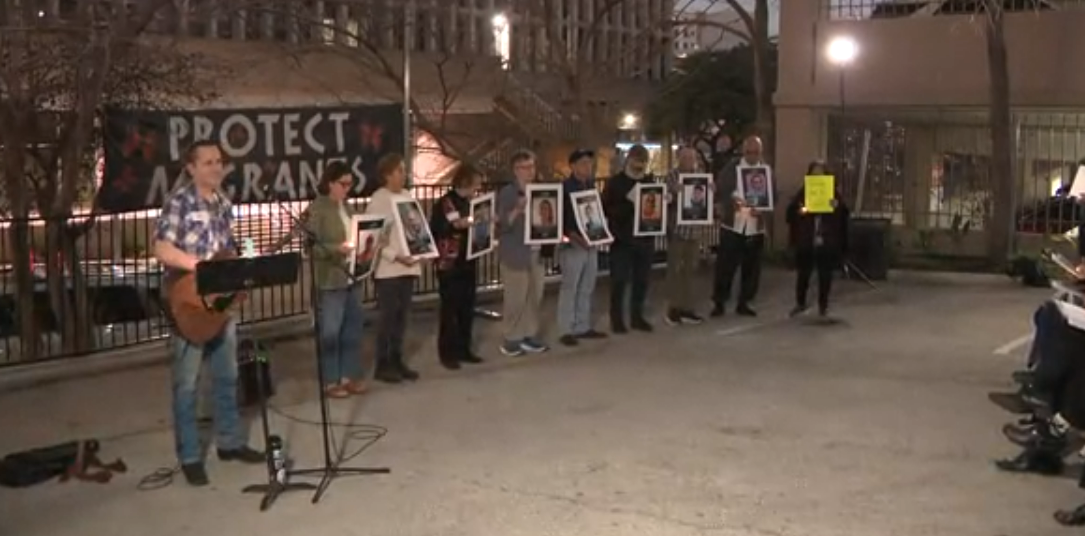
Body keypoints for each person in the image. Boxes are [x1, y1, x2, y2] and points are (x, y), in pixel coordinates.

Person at [152, 140, 263, 487]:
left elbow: (226, 250)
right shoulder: (179, 202)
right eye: (209, 162)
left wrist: (242, 266)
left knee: (227, 375)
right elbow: (162, 247)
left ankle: (229, 442)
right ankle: (189, 456)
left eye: (220, 162)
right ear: (191, 167)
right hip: (189, 303)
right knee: (187, 384)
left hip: (220, 303)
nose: (216, 167)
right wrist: (198, 267)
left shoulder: (223, 204)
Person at [306, 161, 368, 398]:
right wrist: (336, 248)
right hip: (330, 279)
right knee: (331, 330)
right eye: (343, 184)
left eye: (350, 184)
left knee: (352, 327)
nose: (347, 188)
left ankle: (348, 375)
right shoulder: (318, 209)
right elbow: (311, 248)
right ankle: (330, 380)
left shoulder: (348, 207)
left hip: (351, 275)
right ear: (330, 183)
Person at [368, 153, 423, 384]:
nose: (404, 174)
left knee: (402, 317)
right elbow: (373, 238)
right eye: (399, 170)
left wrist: (421, 250)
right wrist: (395, 256)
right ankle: (382, 363)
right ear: (387, 175)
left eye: (404, 170)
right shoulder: (378, 200)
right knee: (388, 317)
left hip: (408, 267)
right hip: (389, 269)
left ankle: (397, 358)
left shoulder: (407, 196)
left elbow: (417, 228)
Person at [430, 164, 486, 370]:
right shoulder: (447, 202)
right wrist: (471, 221)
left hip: (467, 259)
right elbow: (453, 224)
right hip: (450, 261)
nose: (477, 188)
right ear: (465, 181)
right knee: (450, 308)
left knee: (467, 306)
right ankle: (447, 352)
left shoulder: (469, 202)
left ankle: (464, 348)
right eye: (475, 183)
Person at [496, 149, 550, 356]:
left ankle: (529, 334)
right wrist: (517, 209)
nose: (530, 171)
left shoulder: (540, 190)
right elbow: (503, 224)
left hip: (535, 252)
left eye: (532, 166)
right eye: (526, 167)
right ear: (516, 170)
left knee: (534, 295)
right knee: (516, 297)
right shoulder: (509, 193)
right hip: (515, 253)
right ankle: (511, 337)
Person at [711, 136, 773, 318]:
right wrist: (732, 202)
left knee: (752, 268)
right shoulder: (732, 168)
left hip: (755, 226)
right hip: (733, 225)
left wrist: (762, 210)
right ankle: (719, 302)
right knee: (725, 266)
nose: (752, 156)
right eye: (749, 152)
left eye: (756, 152)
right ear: (743, 152)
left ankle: (744, 302)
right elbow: (721, 191)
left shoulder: (766, 171)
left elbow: (772, 196)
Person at [785, 161, 850, 318]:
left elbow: (844, 215)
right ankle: (800, 303)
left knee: (825, 274)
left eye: (820, 173)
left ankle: (823, 305)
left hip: (826, 240)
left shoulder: (833, 193)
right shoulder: (803, 192)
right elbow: (791, 213)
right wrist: (802, 210)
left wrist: (836, 206)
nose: (817, 177)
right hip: (807, 239)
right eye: (814, 173)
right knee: (803, 273)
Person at [601, 143, 655, 333]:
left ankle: (637, 316)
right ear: (628, 160)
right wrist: (629, 202)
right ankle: (616, 320)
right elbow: (606, 210)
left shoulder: (650, 181)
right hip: (622, 239)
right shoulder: (615, 183)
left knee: (642, 280)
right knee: (619, 281)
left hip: (645, 239)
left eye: (643, 161)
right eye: (636, 160)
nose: (639, 165)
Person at [557, 149, 607, 347]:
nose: (588, 167)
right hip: (573, 244)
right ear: (573, 166)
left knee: (587, 286)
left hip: (590, 242)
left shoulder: (590, 186)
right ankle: (565, 329)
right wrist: (576, 238)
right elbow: (562, 220)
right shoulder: (565, 189)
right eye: (584, 163)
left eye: (590, 163)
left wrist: (601, 234)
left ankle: (582, 325)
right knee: (570, 287)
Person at [663, 146, 706, 326]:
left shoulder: (700, 176)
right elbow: (666, 198)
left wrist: (710, 190)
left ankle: (688, 308)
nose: (689, 161)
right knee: (675, 270)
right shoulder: (672, 176)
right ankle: (673, 309)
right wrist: (675, 192)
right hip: (677, 230)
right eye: (685, 157)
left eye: (691, 158)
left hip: (694, 231)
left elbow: (704, 201)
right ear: (679, 158)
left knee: (690, 270)